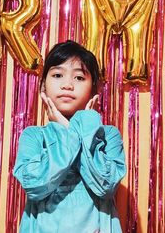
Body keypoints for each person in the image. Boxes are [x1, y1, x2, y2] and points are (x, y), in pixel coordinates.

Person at [13, 40, 126, 233]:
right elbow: (35, 185)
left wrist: (79, 127)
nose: (67, 85)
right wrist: (64, 131)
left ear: (94, 89)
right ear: (43, 87)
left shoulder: (108, 136)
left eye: (79, 78)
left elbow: (104, 186)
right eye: (57, 75)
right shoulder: (33, 136)